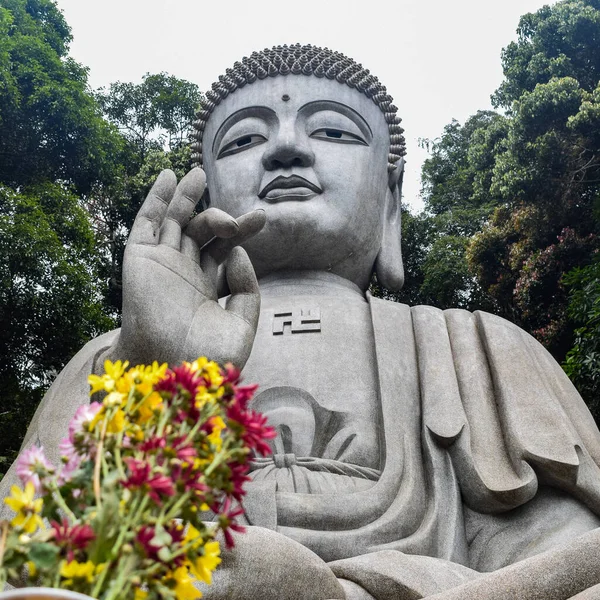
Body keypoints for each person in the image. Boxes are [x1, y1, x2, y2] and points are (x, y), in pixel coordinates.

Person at [3, 44, 600, 599]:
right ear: (206, 193)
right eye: (241, 141)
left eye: (334, 130)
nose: (285, 149)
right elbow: (22, 549)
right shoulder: (115, 358)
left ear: (391, 196)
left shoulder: (471, 345)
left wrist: (325, 586)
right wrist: (155, 379)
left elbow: (565, 551)